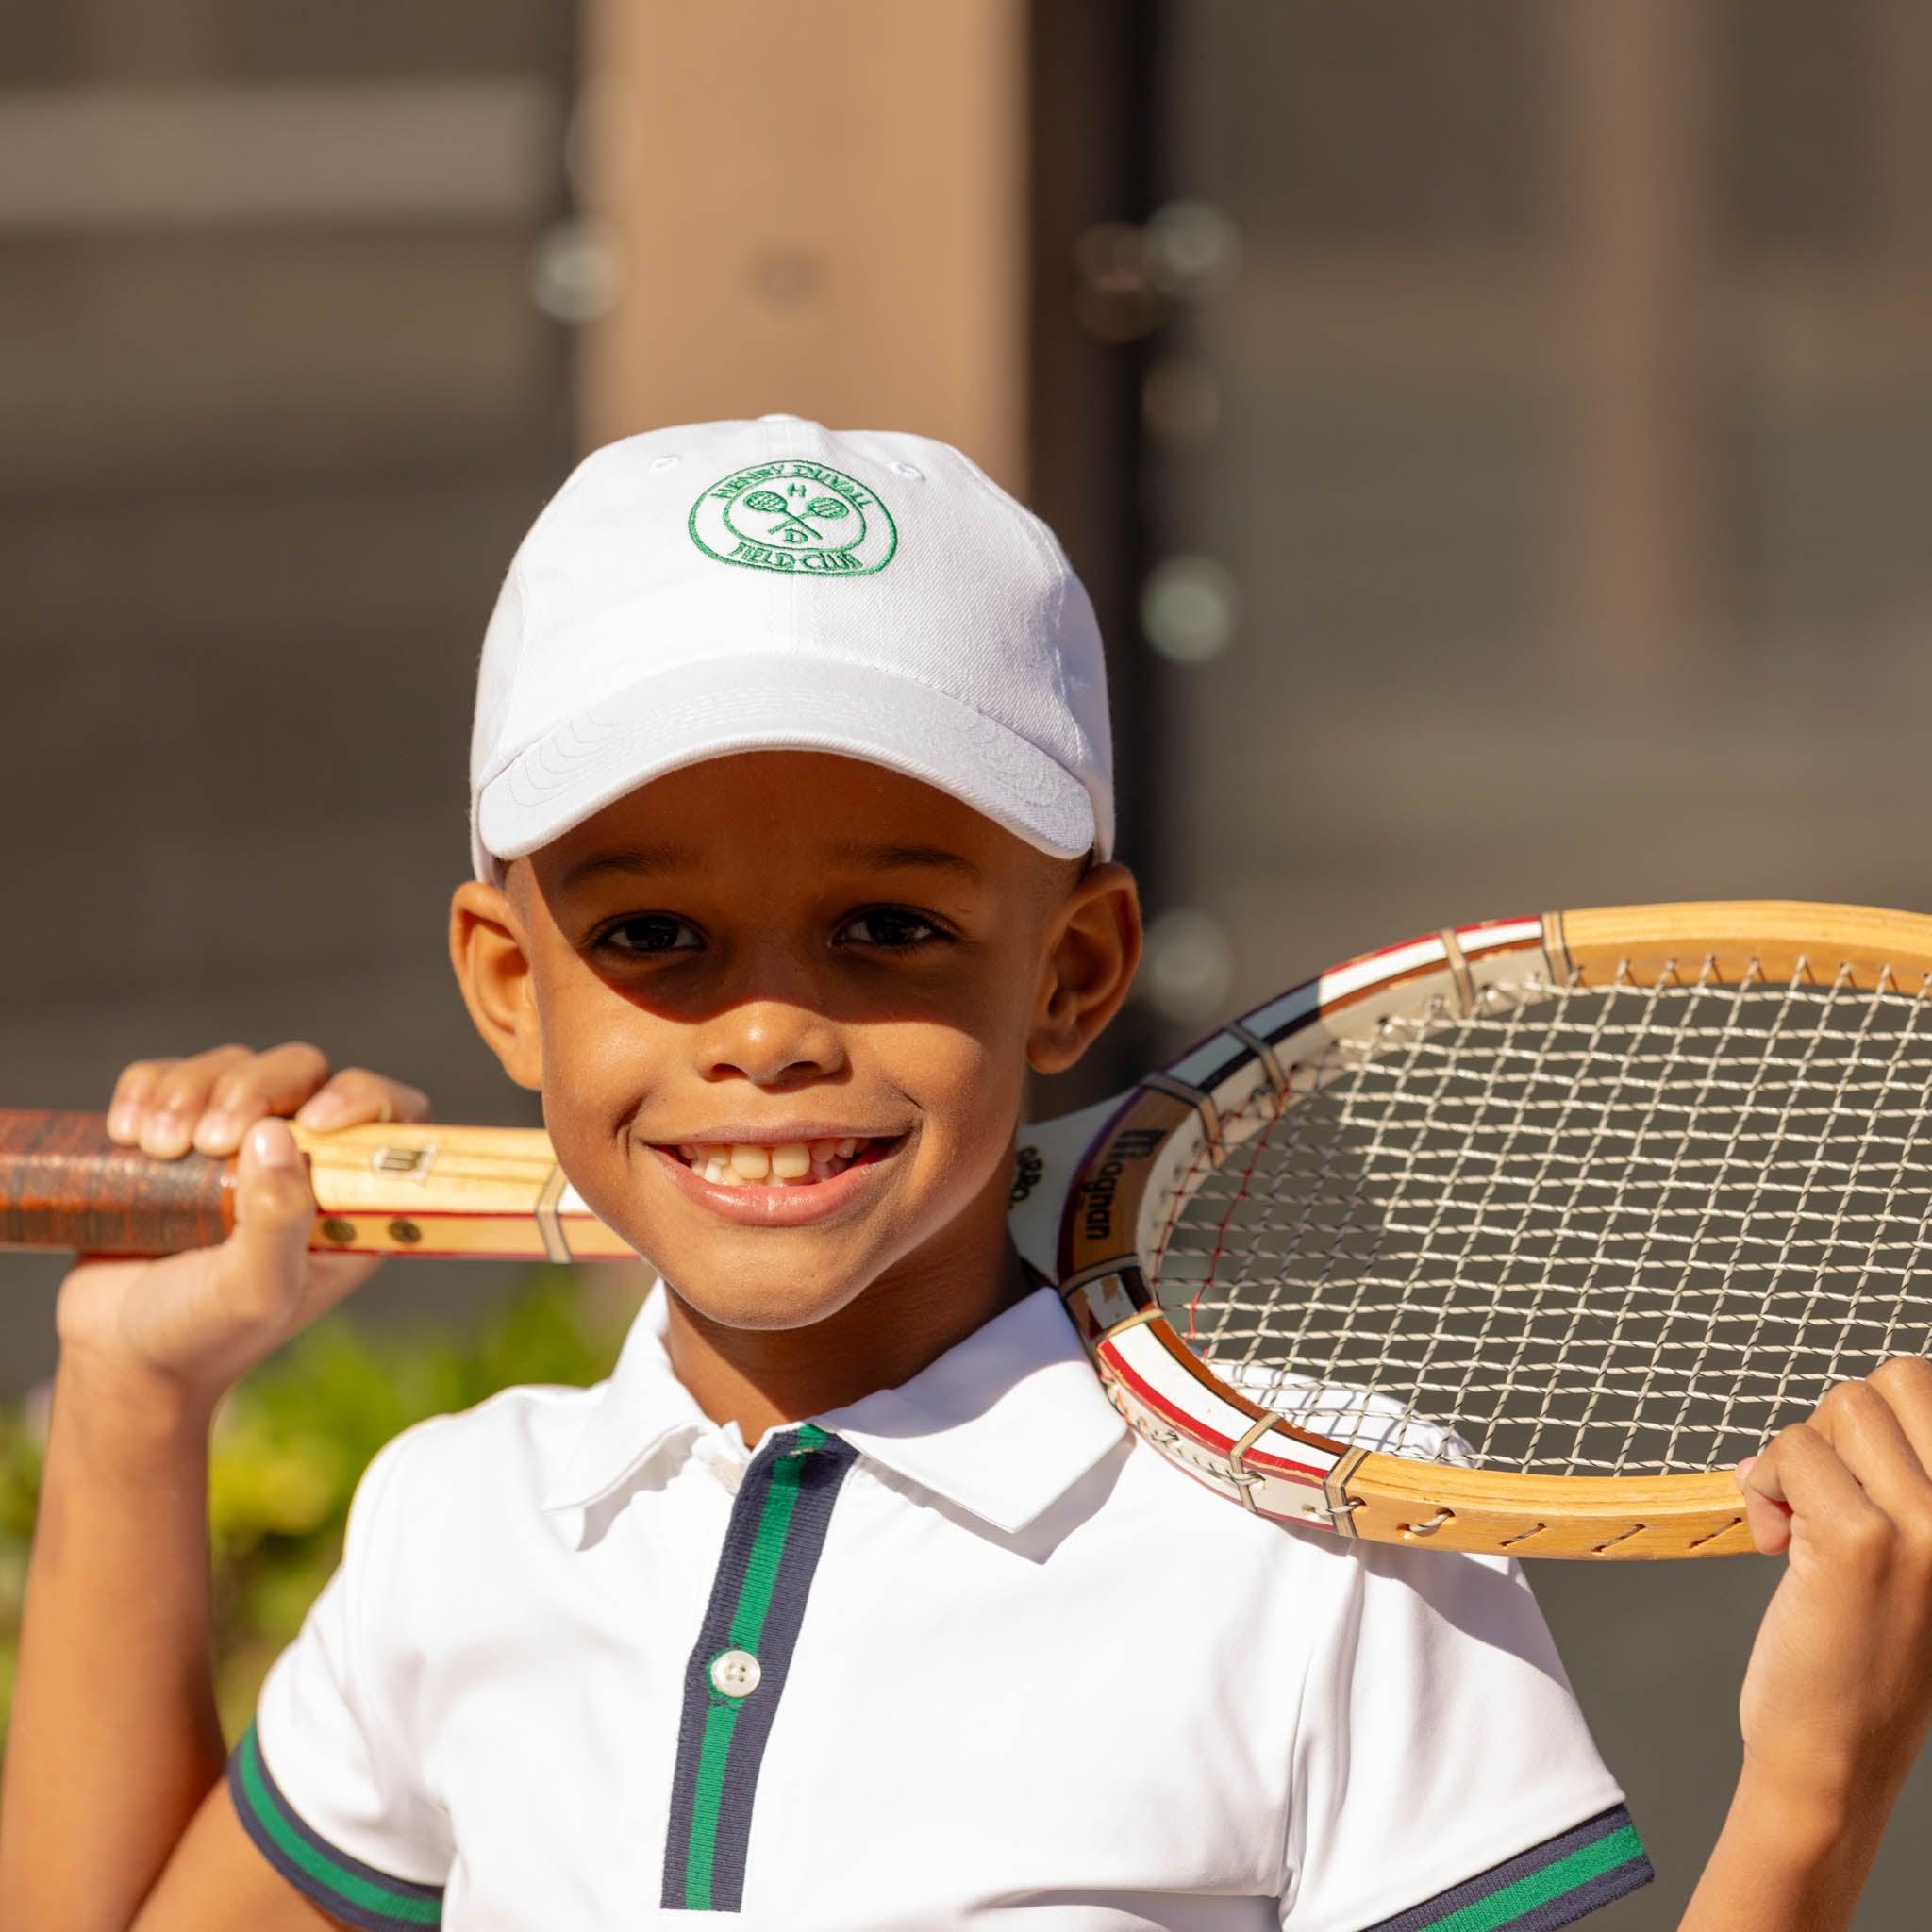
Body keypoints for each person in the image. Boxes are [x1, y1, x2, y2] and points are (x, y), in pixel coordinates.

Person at [4, 418, 1931, 1932]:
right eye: (657, 937)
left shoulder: (1322, 1543)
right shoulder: (465, 1527)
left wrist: (1811, 1792)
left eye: (888, 929)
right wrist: (133, 1390)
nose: (764, 1031)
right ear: (510, 986)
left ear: (1072, 969)